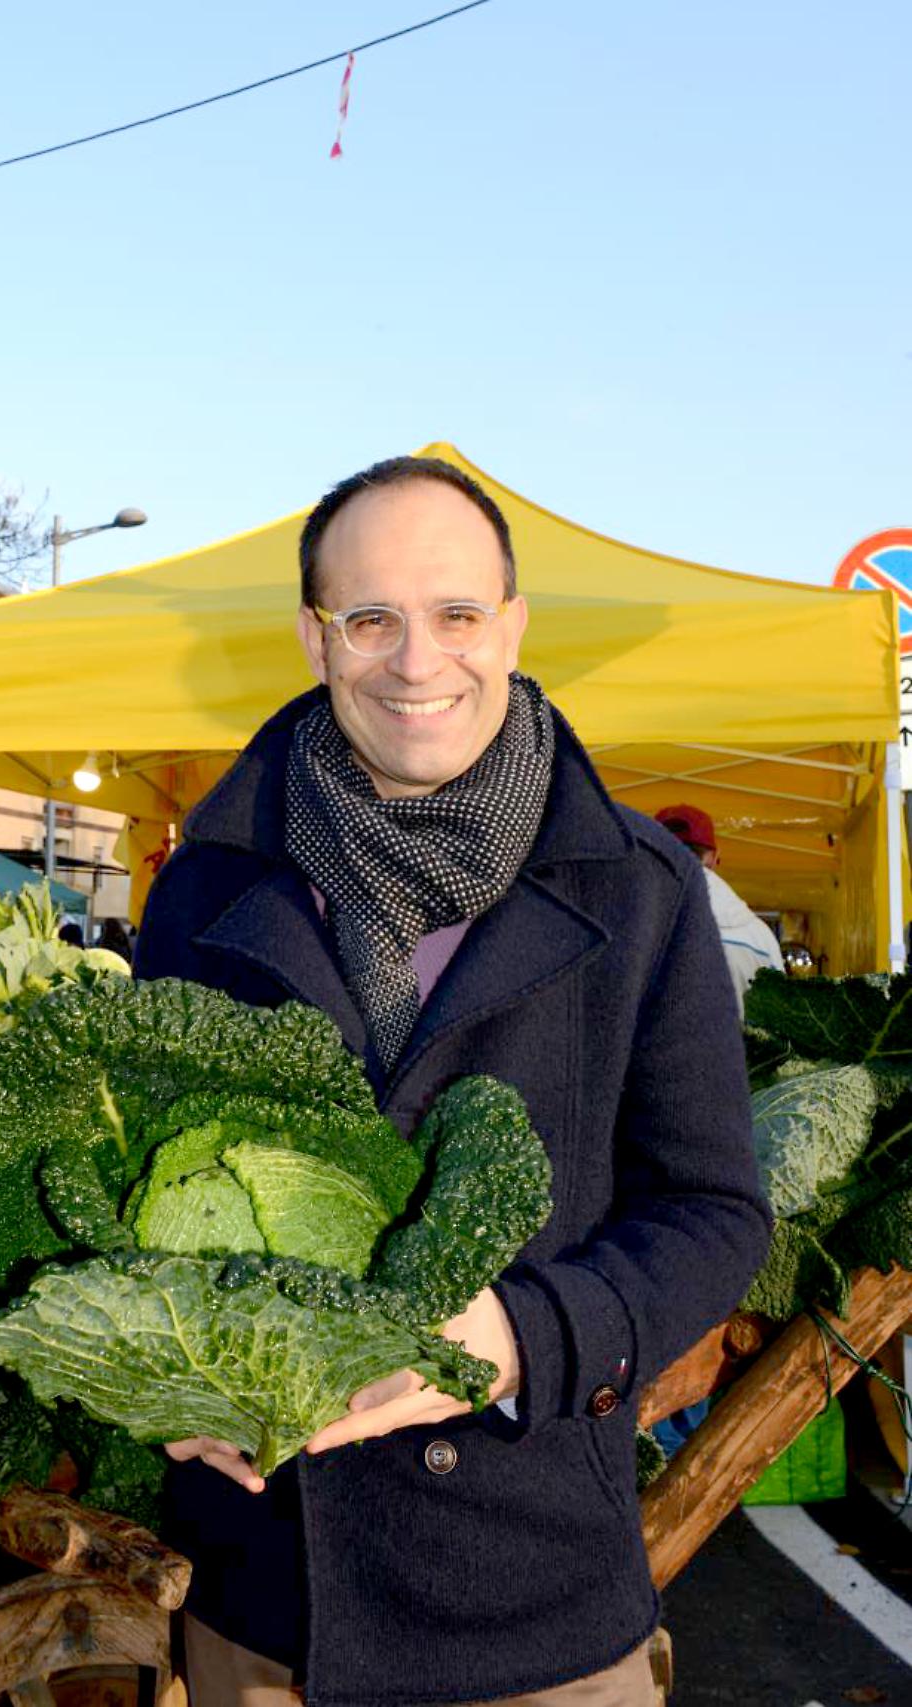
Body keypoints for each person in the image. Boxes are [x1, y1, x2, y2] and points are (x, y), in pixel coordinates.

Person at [134, 456, 771, 1707]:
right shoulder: (206, 885)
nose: (417, 662)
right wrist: (160, 1377)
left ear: (514, 626)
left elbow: (714, 1213)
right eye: (372, 619)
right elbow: (132, 1189)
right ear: (318, 640)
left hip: (537, 1609)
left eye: (457, 615)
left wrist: (522, 1338)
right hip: (270, 1604)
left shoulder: (641, 891)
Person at [653, 804, 785, 1008]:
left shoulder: (627, 930)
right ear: (714, 858)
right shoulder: (761, 938)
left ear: (649, 856)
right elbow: (782, 1020)